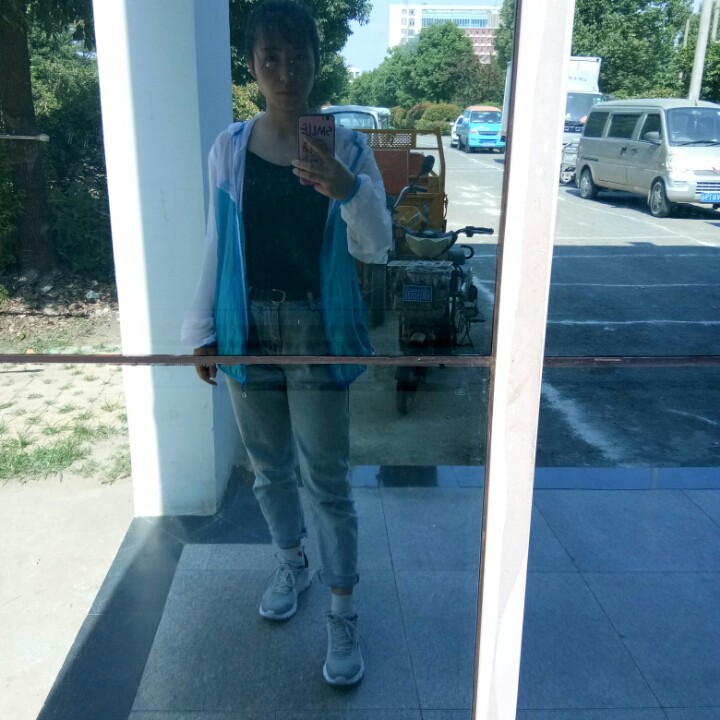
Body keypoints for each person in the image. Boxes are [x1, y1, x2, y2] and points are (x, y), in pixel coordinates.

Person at [181, 0, 391, 686]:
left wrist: (347, 189)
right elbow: (217, 242)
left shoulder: (347, 147)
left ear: (316, 62)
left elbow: (378, 247)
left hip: (317, 327)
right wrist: (203, 330)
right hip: (246, 324)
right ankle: (292, 562)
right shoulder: (229, 148)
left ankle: (342, 609)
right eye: (270, 57)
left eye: (298, 55)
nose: (285, 70)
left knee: (327, 479)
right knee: (268, 469)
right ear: (252, 66)